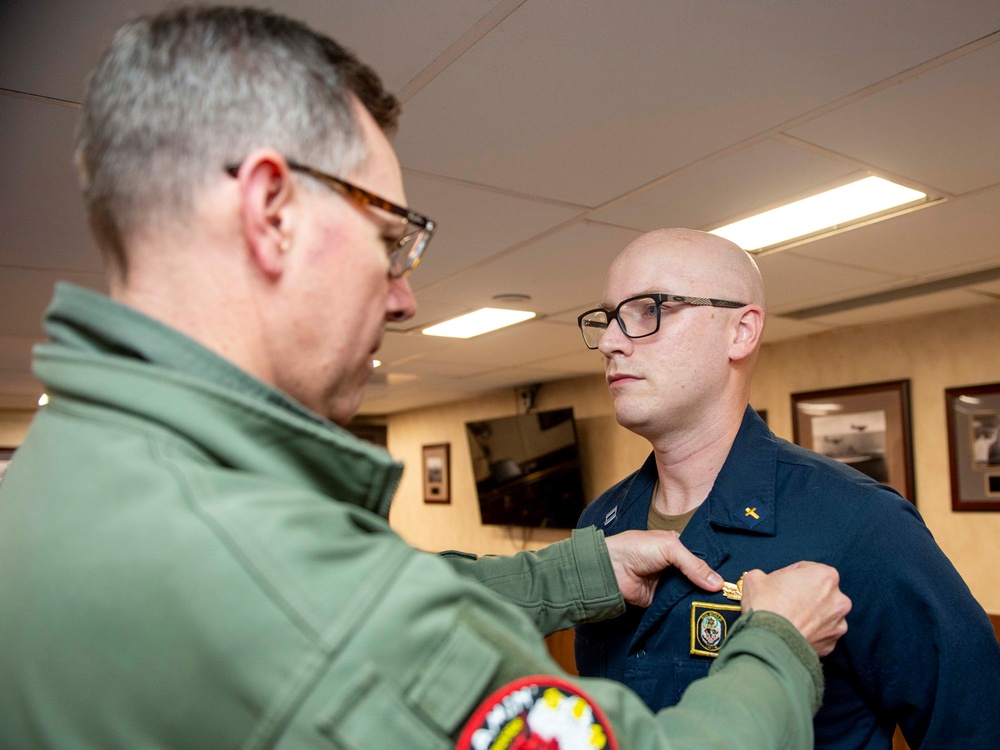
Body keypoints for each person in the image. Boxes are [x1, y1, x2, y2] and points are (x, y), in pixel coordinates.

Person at [0, 8, 851, 748]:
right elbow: (342, 611)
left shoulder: (69, 474)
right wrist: (775, 640)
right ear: (271, 212)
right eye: (392, 238)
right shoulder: (285, 581)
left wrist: (576, 574)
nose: (403, 297)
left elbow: (392, 592)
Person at [574, 228, 1000, 749]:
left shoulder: (860, 523)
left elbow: (975, 728)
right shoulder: (601, 522)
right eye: (607, 318)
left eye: (647, 310)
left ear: (741, 332)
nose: (612, 342)